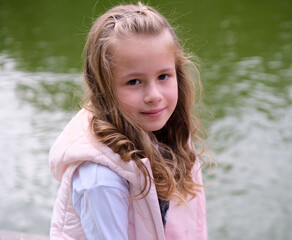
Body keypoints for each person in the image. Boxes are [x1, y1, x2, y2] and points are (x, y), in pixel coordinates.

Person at [48, 2, 208, 240]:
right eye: (134, 81)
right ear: (103, 88)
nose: (154, 96)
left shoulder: (167, 132)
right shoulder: (100, 181)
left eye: (164, 76)